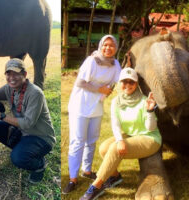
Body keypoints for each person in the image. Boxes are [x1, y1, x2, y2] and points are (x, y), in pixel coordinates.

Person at [80, 67, 162, 200]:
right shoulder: (116, 102)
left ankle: (96, 186)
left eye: (132, 82)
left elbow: (151, 128)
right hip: (132, 135)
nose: (128, 85)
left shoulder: (144, 101)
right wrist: (120, 140)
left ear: (136, 84)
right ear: (119, 83)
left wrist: (150, 111)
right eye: (125, 81)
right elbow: (115, 124)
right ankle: (114, 177)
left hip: (150, 138)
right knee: (104, 148)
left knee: (114, 150)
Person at [63, 35, 121, 194]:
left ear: (116, 47)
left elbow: (118, 81)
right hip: (80, 106)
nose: (108, 48)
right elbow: (80, 83)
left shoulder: (115, 64)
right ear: (101, 46)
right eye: (105, 45)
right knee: (78, 141)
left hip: (97, 107)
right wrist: (100, 89)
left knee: (92, 140)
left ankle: (86, 170)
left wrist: (108, 90)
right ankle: (72, 178)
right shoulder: (92, 61)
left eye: (111, 45)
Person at [0, 58, 55, 184]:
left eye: (16, 73)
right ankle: (24, 149)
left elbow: (28, 123)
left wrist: (1, 115)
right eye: (8, 73)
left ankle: (39, 165)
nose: (12, 77)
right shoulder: (8, 88)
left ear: (25, 74)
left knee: (18, 158)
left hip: (40, 137)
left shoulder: (35, 93)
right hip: (22, 132)